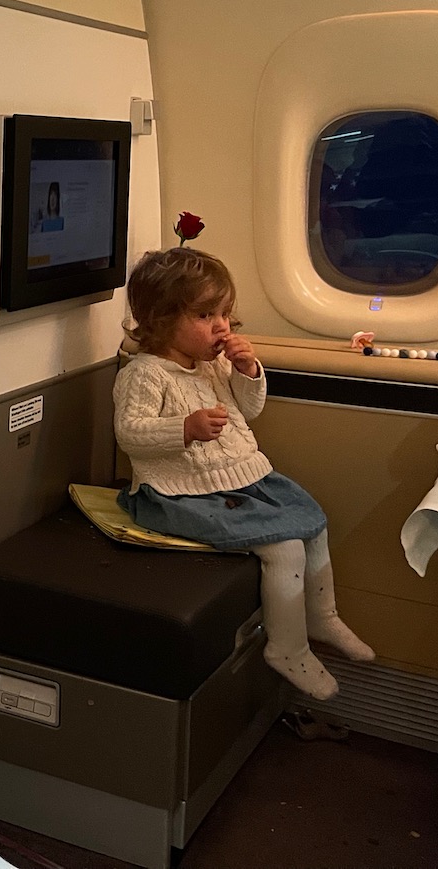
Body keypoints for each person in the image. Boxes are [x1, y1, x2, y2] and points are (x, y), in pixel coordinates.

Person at [113, 247, 372, 700]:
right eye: (206, 314)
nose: (222, 327)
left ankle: (320, 615)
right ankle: (287, 648)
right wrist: (185, 429)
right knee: (285, 548)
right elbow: (130, 433)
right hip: (179, 492)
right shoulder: (146, 374)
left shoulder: (213, 364)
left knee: (312, 519)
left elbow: (248, 410)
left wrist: (248, 370)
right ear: (158, 319)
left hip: (240, 476)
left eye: (226, 314)